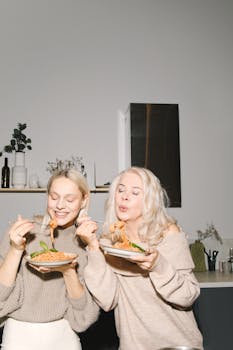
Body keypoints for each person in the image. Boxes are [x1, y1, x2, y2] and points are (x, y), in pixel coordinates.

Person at [77, 166, 203, 350]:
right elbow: (107, 301)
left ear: (149, 201)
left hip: (178, 343)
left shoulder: (168, 234)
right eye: (120, 190)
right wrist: (93, 247)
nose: (124, 196)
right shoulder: (110, 243)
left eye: (135, 192)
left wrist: (158, 266)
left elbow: (188, 296)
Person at [0, 169, 99, 350]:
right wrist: (16, 250)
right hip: (18, 337)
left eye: (69, 199)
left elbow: (85, 316)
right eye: (54, 197)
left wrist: (68, 271)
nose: (60, 205)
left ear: (84, 200)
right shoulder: (22, 232)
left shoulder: (86, 242)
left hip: (64, 338)